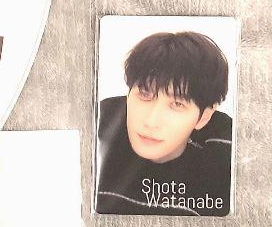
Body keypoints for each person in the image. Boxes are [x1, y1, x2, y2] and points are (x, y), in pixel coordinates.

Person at [95, 30, 233, 217]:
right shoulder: (95, 129)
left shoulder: (227, 161)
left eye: (177, 104)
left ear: (204, 117)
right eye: (145, 94)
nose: (151, 121)